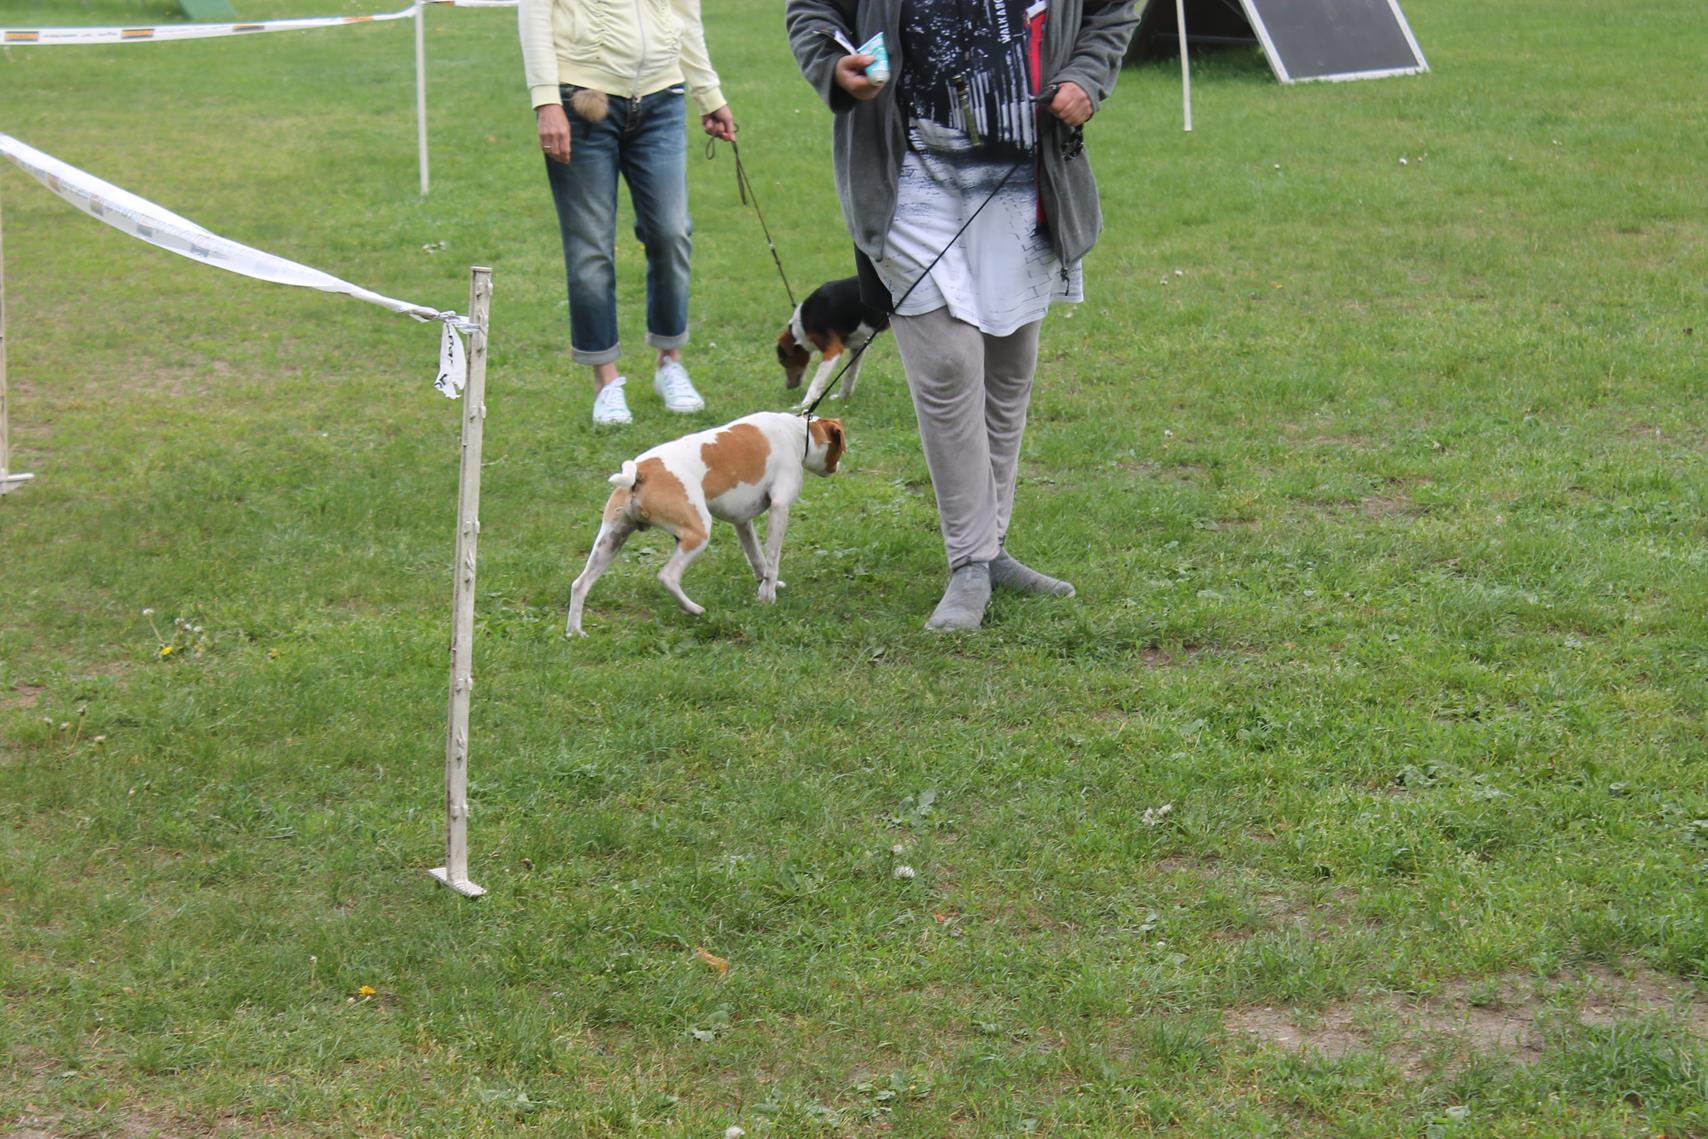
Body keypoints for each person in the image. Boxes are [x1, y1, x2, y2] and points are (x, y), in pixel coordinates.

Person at [786, 0, 1138, 630]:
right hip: (907, 173)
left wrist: (1087, 74)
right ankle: (969, 561)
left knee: (1009, 367)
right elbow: (813, 11)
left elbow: (1111, 12)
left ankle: (991, 546)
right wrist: (835, 64)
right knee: (948, 364)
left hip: (1026, 175)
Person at [519, 0, 736, 426]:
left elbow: (684, 16)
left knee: (672, 233)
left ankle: (669, 362)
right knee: (590, 248)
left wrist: (709, 95)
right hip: (582, 99)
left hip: (662, 98)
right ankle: (606, 380)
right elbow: (535, 13)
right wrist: (546, 101)